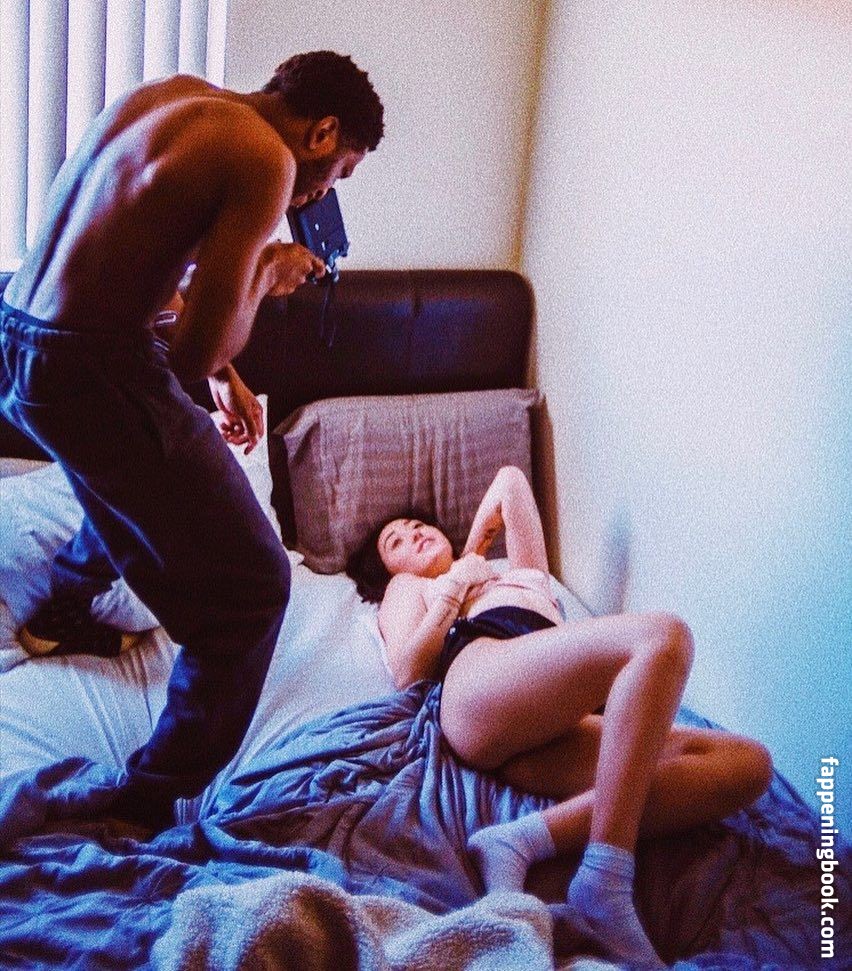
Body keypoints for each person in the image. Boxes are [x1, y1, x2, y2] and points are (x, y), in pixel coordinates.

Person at [0, 51, 384, 826]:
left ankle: (63, 610)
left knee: (131, 472)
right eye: (339, 172)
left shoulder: (172, 100)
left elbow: (138, 274)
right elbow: (192, 353)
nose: (322, 194)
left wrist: (226, 379)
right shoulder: (268, 159)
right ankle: (147, 798)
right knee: (254, 589)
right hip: (92, 366)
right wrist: (269, 274)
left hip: (23, 340)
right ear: (322, 132)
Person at [347, 466, 773, 968]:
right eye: (395, 541)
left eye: (418, 525)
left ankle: (518, 841)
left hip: (549, 714)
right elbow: (407, 670)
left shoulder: (517, 573)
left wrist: (473, 553)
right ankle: (605, 880)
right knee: (664, 637)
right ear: (389, 569)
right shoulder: (410, 587)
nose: (413, 533)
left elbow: (510, 482)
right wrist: (454, 584)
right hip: (480, 680)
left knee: (747, 765)